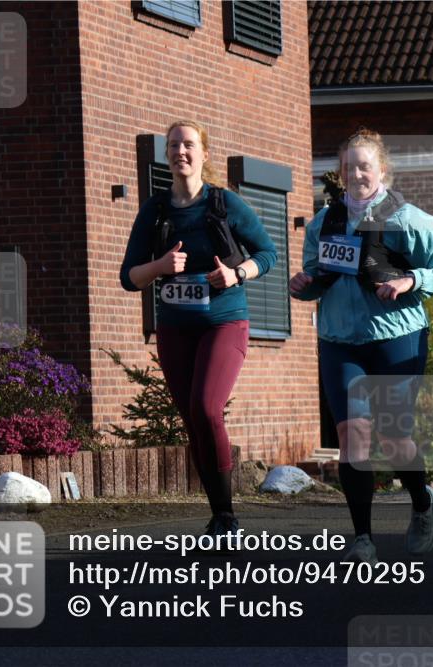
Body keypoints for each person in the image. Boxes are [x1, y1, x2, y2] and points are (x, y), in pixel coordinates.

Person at [290, 128, 433, 565]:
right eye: (348, 167)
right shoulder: (324, 222)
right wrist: (302, 285)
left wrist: (411, 279)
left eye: (365, 165)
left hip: (396, 337)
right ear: (340, 173)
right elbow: (316, 278)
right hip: (339, 341)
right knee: (353, 438)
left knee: (395, 435)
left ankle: (421, 502)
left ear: (382, 169)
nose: (357, 173)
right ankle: (362, 536)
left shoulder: (408, 220)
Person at [120, 120, 276, 539]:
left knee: (208, 408)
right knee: (193, 419)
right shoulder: (154, 211)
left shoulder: (225, 203)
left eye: (188, 145)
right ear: (167, 156)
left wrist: (237, 273)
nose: (180, 152)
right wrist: (159, 267)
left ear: (204, 154)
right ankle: (218, 515)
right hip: (175, 327)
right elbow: (128, 276)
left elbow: (268, 253)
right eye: (173, 146)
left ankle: (227, 517)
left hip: (224, 320)